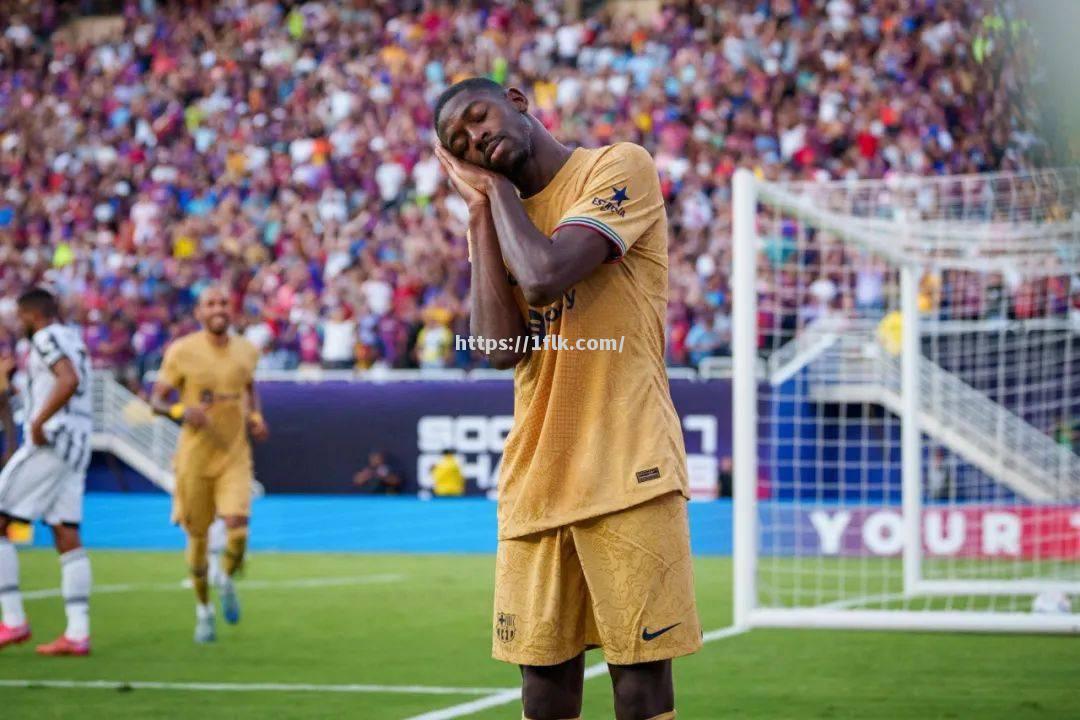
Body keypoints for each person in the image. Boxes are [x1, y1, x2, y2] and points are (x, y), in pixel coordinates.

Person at [434, 78, 701, 720]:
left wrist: (495, 191)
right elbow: (500, 349)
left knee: (637, 685)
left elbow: (548, 274)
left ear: (518, 101)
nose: (476, 138)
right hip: (536, 475)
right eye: (460, 142)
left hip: (627, 464)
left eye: (478, 117)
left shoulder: (617, 166)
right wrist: (480, 217)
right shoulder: (496, 219)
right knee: (544, 691)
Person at [150, 286, 268, 643]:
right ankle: (204, 610)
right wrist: (179, 411)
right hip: (194, 458)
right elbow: (156, 400)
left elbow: (249, 386)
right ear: (199, 313)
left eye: (223, 303)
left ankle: (226, 579)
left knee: (238, 529)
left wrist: (257, 415)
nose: (218, 309)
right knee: (198, 539)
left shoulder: (247, 350)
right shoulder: (182, 351)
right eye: (210, 304)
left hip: (234, 454)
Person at [0, 288, 94, 656]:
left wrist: (39, 422)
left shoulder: (44, 337)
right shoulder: (73, 337)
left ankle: (12, 619)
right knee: (66, 533)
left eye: (20, 319)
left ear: (31, 315)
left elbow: (67, 380)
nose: (19, 326)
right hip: (77, 443)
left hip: (54, 439)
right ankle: (78, 632)